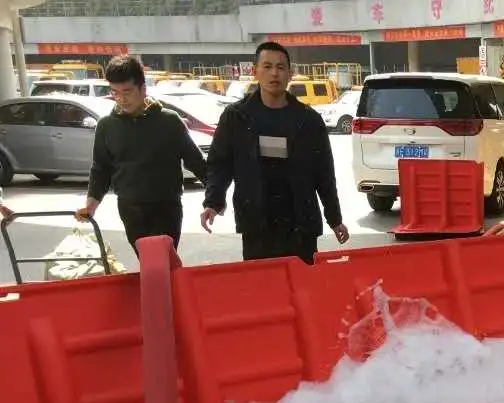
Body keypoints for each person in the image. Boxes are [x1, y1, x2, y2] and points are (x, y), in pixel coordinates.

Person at [200, 40, 349, 264]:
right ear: (255, 71)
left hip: (299, 222)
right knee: (262, 290)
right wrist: (212, 201)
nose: (274, 74)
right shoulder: (237, 117)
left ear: (290, 74)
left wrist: (334, 218)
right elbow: (220, 163)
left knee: (302, 291)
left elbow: (324, 173)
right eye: (267, 66)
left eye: (281, 67)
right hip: (257, 222)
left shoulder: (308, 121)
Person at [76, 54, 206, 251]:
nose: (121, 99)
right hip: (129, 208)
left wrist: (214, 198)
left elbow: (196, 161)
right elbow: (100, 169)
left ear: (143, 88)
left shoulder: (169, 121)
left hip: (166, 207)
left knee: (162, 261)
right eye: (115, 93)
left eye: (127, 92)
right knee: (149, 262)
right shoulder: (106, 126)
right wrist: (91, 205)